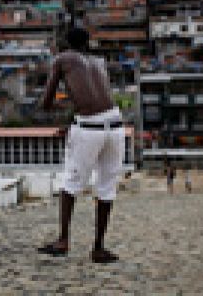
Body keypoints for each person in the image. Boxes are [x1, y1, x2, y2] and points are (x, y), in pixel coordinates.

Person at [37, 28, 125, 264]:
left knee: (71, 184)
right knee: (106, 188)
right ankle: (98, 248)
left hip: (89, 129)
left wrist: (74, 117)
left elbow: (46, 103)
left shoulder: (62, 59)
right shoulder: (99, 61)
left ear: (66, 43)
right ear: (88, 44)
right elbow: (97, 98)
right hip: (116, 126)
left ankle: (63, 240)